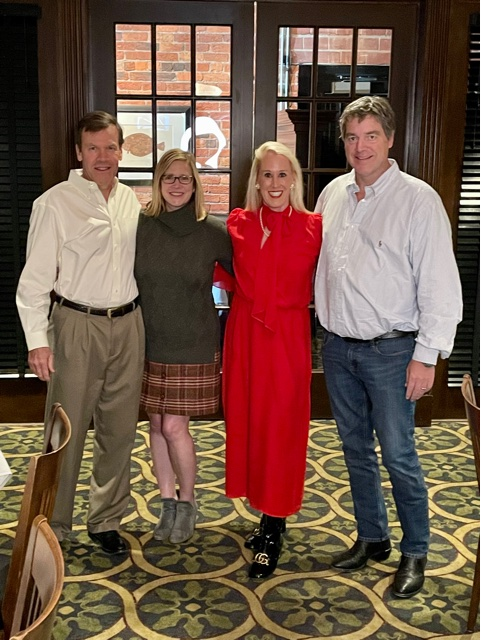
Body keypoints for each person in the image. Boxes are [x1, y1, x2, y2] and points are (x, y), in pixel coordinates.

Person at [314, 96, 463, 598]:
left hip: (394, 352)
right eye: (353, 136)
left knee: (399, 455)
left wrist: (427, 357)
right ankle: (372, 537)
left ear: (391, 139)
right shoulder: (332, 194)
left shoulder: (418, 200)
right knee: (355, 450)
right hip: (338, 348)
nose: (361, 147)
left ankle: (415, 550)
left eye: (371, 135)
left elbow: (441, 286)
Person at [16, 111, 145, 555]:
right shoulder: (54, 203)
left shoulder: (131, 200)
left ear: (121, 151)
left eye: (111, 147)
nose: (103, 157)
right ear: (78, 153)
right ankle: (56, 520)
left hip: (128, 325)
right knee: (64, 430)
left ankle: (106, 518)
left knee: (120, 428)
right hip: (75, 325)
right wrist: (38, 340)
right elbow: (33, 282)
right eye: (93, 148)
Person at [221, 141, 322, 579]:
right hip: (244, 338)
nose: (276, 183)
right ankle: (262, 512)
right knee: (249, 423)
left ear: (295, 179)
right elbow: (213, 268)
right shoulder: (238, 223)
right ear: (256, 180)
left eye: (284, 175)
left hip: (287, 340)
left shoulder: (314, 226)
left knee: (282, 428)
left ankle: (274, 524)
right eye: (268, 175)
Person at [134, 149, 232, 544]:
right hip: (148, 338)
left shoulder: (211, 230)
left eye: (185, 178)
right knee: (156, 425)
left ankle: (188, 501)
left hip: (193, 341)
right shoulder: (139, 225)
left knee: (175, 426)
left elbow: (249, 277)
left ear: (195, 185)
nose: (177, 185)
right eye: (170, 177)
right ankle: (166, 502)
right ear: (158, 182)